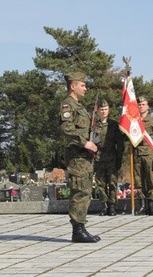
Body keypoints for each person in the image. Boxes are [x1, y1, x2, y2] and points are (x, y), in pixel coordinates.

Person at [59, 72, 100, 243]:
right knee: (79, 191)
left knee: (85, 191)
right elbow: (66, 129)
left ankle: (81, 227)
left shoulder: (79, 106)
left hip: (84, 156)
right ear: (73, 86)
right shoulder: (68, 106)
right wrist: (85, 143)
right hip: (77, 155)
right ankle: (78, 230)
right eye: (82, 85)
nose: (85, 88)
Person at [94, 100, 125, 216]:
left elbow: (120, 143)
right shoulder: (94, 125)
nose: (104, 111)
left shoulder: (114, 125)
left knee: (112, 183)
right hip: (98, 158)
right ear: (98, 110)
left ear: (109, 110)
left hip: (112, 157)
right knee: (100, 183)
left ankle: (112, 206)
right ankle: (104, 205)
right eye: (102, 109)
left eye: (106, 109)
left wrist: (119, 157)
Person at [133, 96, 153, 216]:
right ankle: (142, 205)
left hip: (149, 154)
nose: (141, 106)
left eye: (143, 104)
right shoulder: (133, 121)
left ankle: (151, 205)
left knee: (150, 180)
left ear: (147, 106)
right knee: (138, 180)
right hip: (136, 153)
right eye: (139, 105)